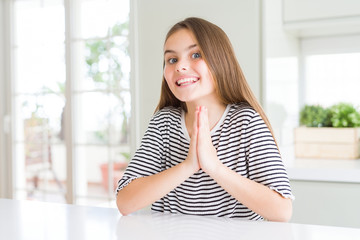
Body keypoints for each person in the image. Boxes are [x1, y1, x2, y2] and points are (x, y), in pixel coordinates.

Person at [116, 17, 294, 221]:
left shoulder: (246, 121)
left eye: (196, 54)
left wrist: (214, 166)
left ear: (220, 60)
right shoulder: (164, 123)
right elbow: (125, 202)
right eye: (172, 59)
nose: (180, 66)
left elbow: (282, 211)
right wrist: (188, 166)